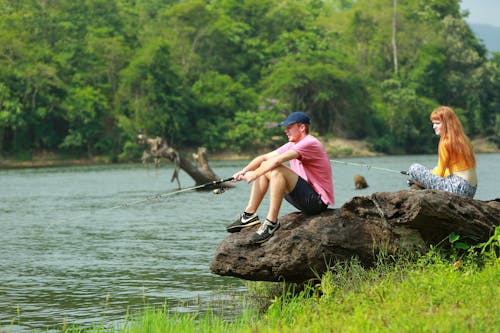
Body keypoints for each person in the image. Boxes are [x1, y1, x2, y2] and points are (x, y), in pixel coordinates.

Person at [226, 111, 335, 243]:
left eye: (289, 127)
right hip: (302, 196)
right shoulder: (292, 144)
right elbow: (264, 158)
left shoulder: (310, 143)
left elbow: (277, 161)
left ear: (302, 127)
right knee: (265, 165)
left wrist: (253, 175)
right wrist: (243, 172)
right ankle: (249, 215)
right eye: (285, 128)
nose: (286, 131)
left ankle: (271, 222)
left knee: (276, 170)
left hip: (317, 202)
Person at [407, 106, 477, 198]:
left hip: (457, 188)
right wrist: (431, 172)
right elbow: (449, 172)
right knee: (436, 169)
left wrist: (426, 174)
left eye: (437, 123)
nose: (434, 126)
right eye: (433, 123)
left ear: (447, 124)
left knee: (414, 168)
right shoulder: (464, 140)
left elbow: (439, 173)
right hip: (470, 190)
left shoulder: (445, 142)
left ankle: (416, 184)